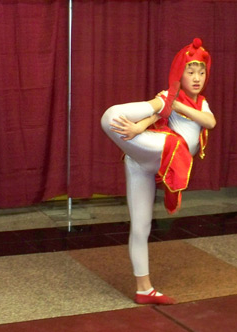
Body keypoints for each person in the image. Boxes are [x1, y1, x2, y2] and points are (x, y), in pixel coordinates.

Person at [100, 38, 215, 305]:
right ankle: (144, 288)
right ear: (179, 73)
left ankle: (144, 289)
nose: (197, 78)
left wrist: (173, 104)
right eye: (190, 71)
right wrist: (156, 110)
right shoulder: (170, 95)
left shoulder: (200, 104)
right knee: (110, 117)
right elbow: (157, 118)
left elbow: (210, 121)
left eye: (201, 72)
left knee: (143, 225)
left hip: (159, 157)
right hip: (155, 152)